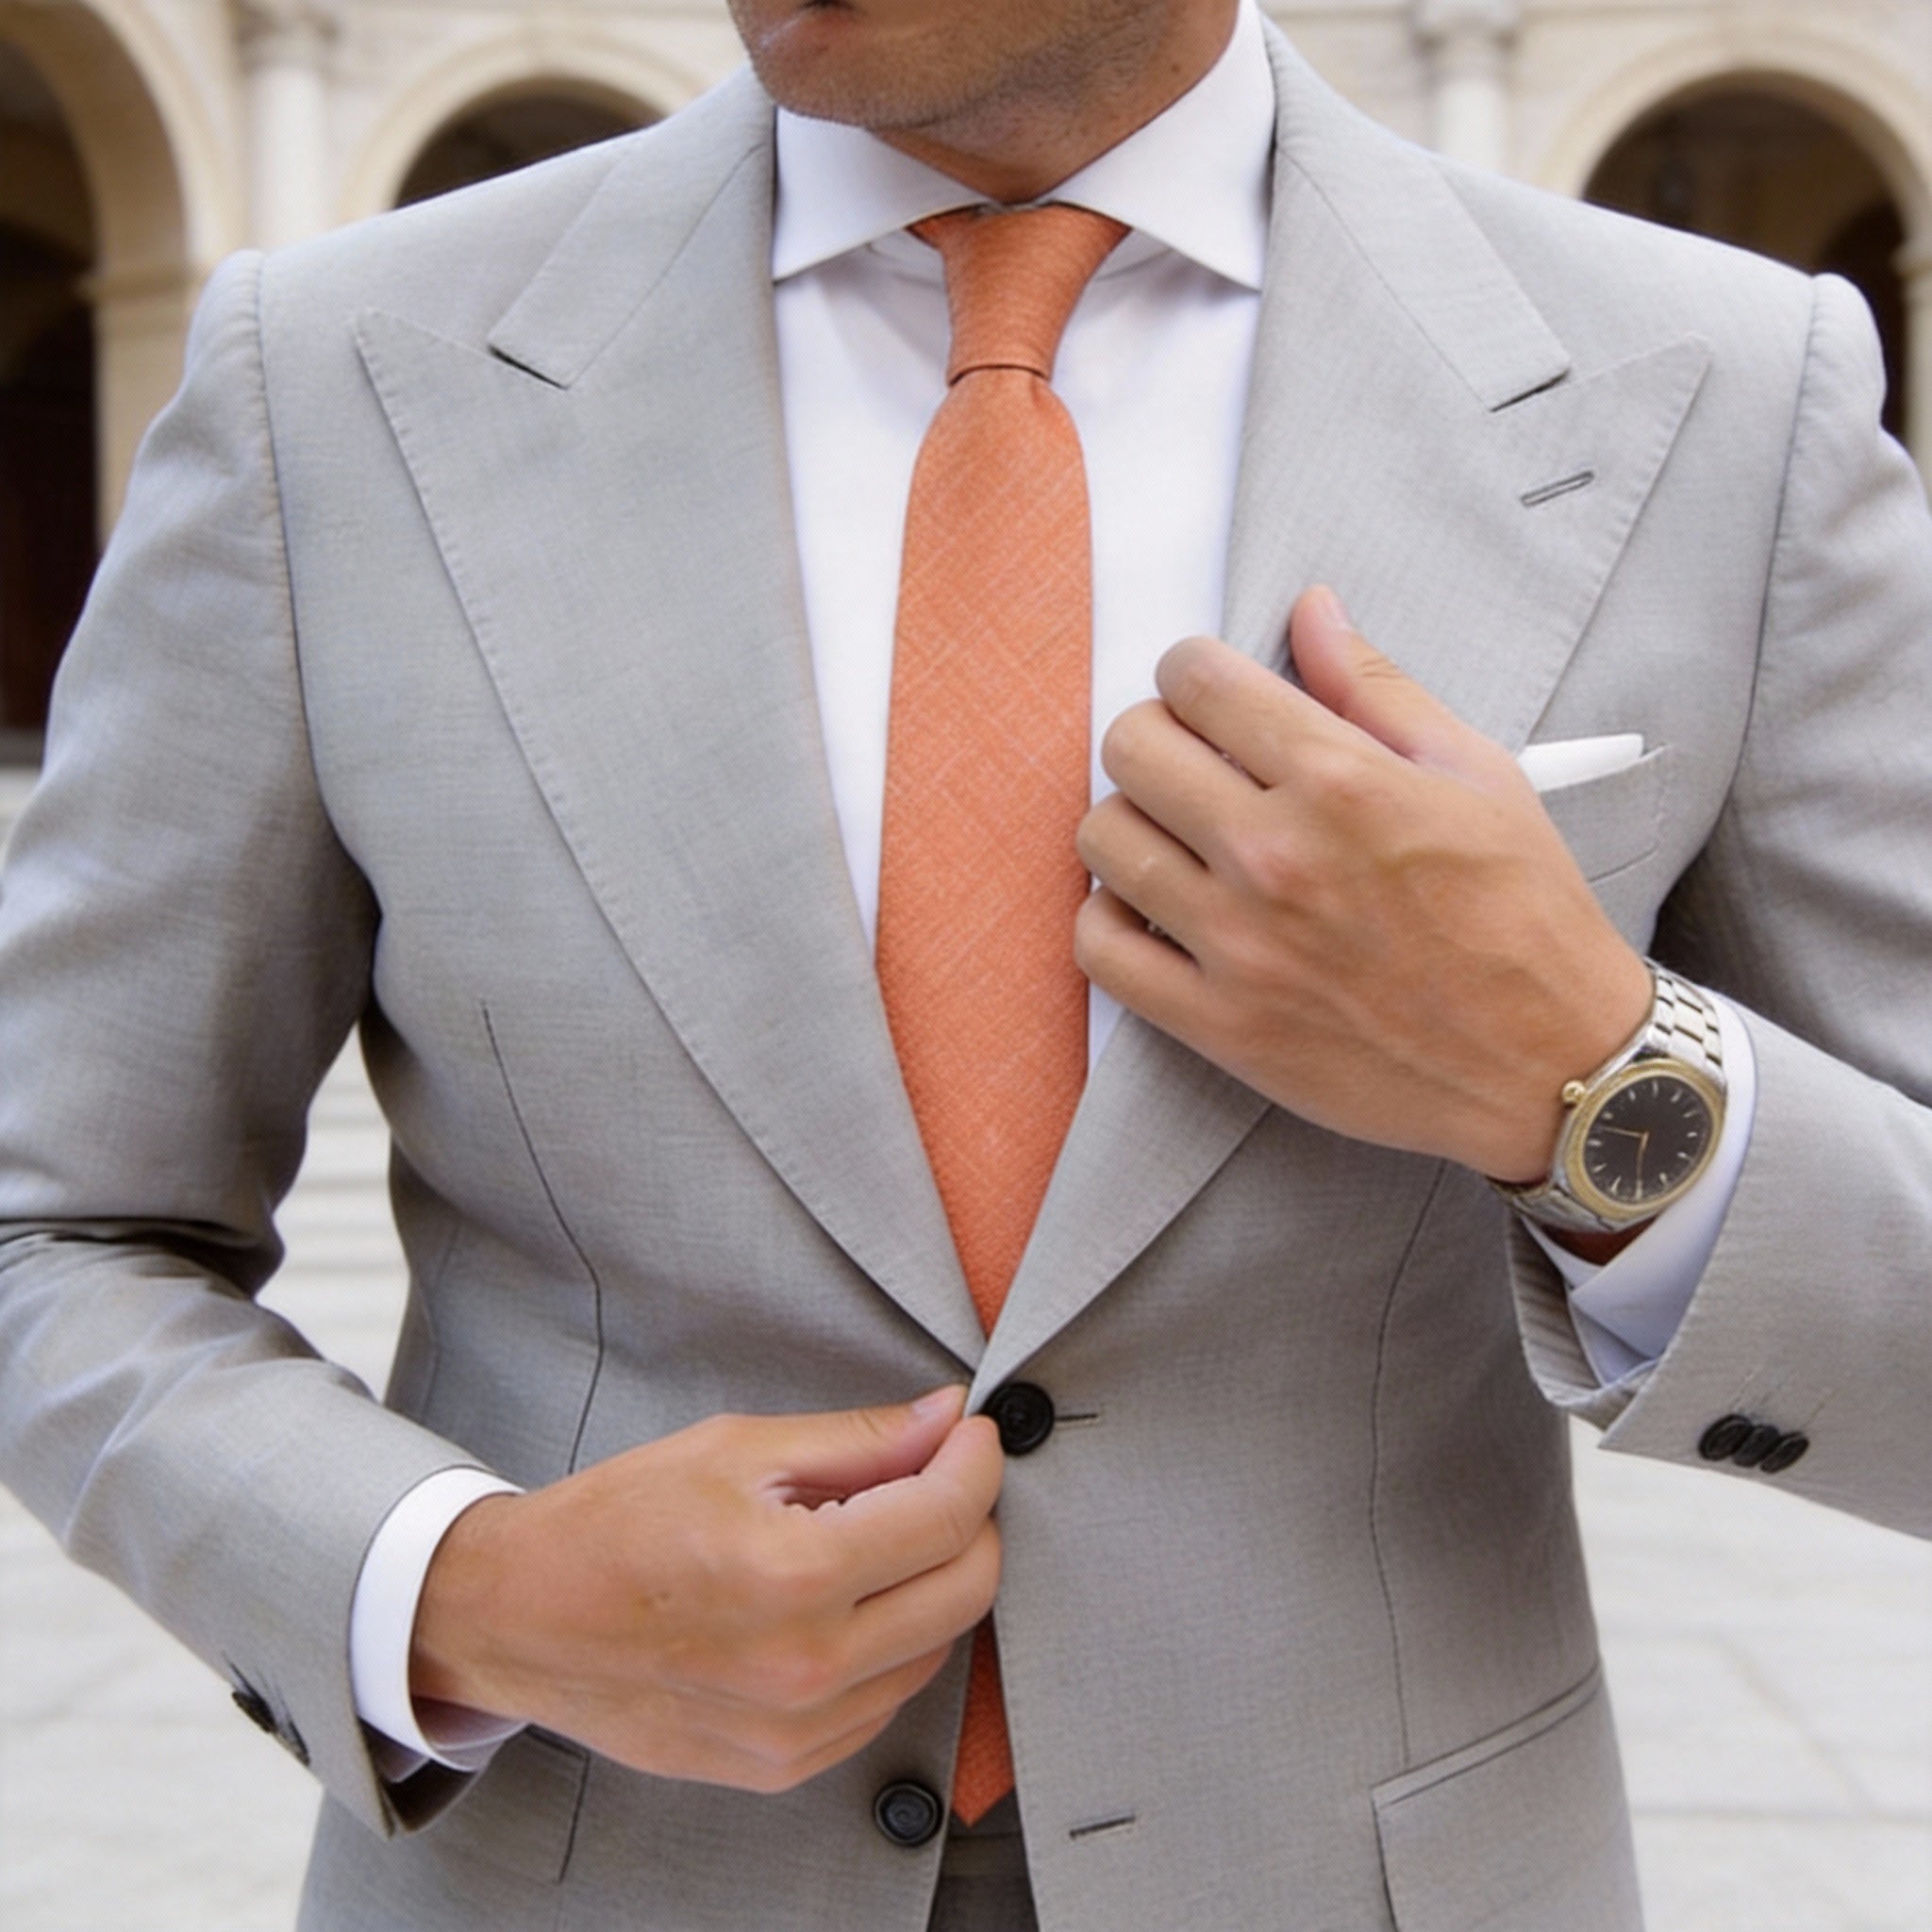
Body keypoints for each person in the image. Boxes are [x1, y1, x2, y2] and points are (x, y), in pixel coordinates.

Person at [0, 0, 1927, 1925]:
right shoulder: (326, 383)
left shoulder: (1723, 398)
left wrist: (1590, 1079)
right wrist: (453, 1588)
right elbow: (52, 1227)